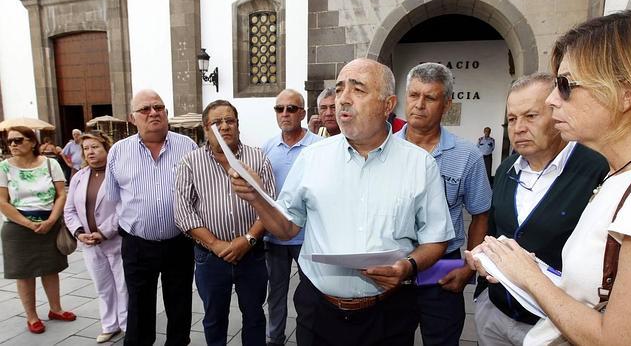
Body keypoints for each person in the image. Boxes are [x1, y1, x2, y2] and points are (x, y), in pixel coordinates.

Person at [230, 58, 454, 345]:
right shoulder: (312, 158)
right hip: (318, 313)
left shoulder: (419, 164)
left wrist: (408, 267)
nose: (343, 100)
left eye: (358, 90)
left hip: (388, 316)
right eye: (339, 90)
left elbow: (436, 239)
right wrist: (256, 197)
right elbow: (286, 228)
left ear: (388, 105)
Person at [467, 10, 631, 345]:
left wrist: (530, 276)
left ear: (625, 95)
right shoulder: (618, 175)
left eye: (565, 85)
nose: (552, 100)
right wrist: (517, 263)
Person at [471, 73, 608, 345]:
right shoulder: (505, 170)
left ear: (556, 114)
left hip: (556, 329)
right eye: (512, 119)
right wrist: (483, 261)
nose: (518, 128)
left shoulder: (597, 169)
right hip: (494, 315)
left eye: (531, 116)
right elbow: (495, 231)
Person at [395, 62, 492, 345]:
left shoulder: (467, 155)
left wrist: (468, 267)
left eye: (430, 97)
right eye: (413, 95)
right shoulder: (385, 150)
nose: (419, 105)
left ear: (446, 104)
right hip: (394, 263)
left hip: (442, 269)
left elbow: (480, 215)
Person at [174, 100, 276, 345]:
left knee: (254, 314)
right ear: (206, 129)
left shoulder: (257, 157)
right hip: (210, 257)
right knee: (214, 317)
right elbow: (182, 211)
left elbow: (271, 203)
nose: (225, 126)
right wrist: (215, 244)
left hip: (252, 255)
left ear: (238, 125)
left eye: (230, 120)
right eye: (217, 122)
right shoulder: (190, 162)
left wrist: (248, 239)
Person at [105, 89, 197, 346]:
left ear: (166, 113)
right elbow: (113, 199)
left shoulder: (187, 147)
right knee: (139, 305)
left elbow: (197, 194)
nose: (153, 113)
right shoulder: (118, 152)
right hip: (137, 245)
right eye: (145, 109)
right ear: (132, 117)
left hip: (179, 242)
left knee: (180, 303)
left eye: (158, 107)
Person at [0, 126, 75, 334]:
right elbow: (2, 202)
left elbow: (61, 194)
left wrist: (52, 220)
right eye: (10, 141)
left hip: (49, 224)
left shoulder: (51, 164)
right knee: (24, 273)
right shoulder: (4, 167)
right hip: (18, 228)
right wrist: (29, 224)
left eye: (18, 140)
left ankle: (55, 309)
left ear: (32, 142)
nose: (13, 144)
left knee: (51, 269)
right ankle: (31, 316)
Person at [262, 89, 322, 346]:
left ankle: (310, 337)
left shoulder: (319, 148)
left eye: (291, 108)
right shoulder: (267, 148)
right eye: (280, 109)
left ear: (303, 113)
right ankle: (274, 338)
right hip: (274, 237)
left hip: (307, 236)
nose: (285, 114)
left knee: (311, 292)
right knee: (276, 292)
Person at [64, 130, 127, 343]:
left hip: (115, 240)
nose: (90, 152)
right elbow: (69, 210)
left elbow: (125, 207)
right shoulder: (79, 177)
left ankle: (128, 325)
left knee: (123, 285)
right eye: (86, 148)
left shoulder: (118, 174)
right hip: (89, 243)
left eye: (95, 147)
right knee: (103, 286)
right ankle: (110, 325)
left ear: (107, 149)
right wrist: (79, 233)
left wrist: (105, 232)